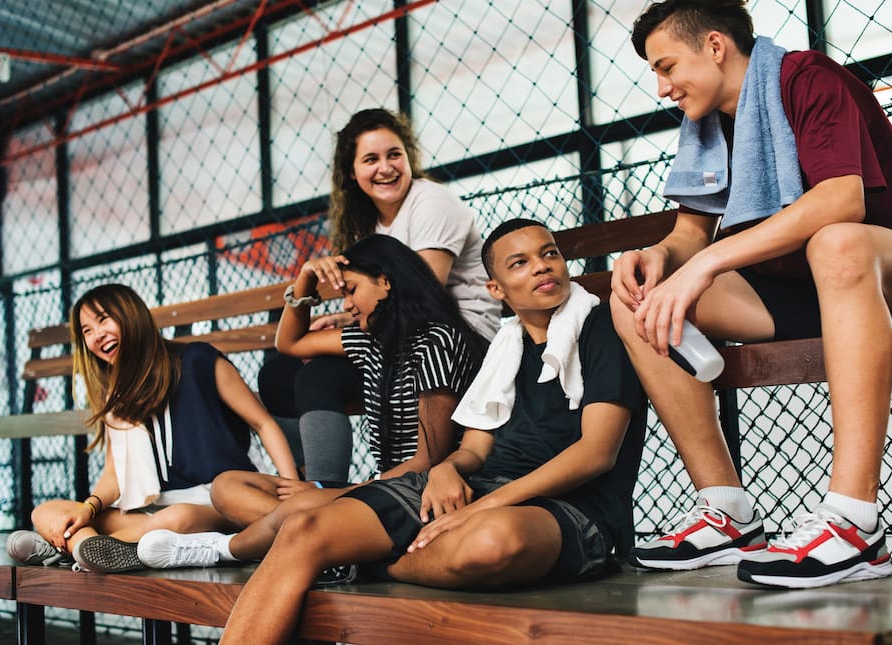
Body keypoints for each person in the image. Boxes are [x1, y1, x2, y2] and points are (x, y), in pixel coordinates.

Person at [139, 219, 645, 644]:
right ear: (497, 290)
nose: (541, 266)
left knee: (492, 543)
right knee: (303, 527)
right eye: (519, 263)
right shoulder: (504, 348)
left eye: (549, 254)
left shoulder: (599, 328)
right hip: (474, 492)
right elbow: (474, 449)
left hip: (574, 509)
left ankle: (353, 559)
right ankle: (317, 553)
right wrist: (450, 470)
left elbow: (596, 454)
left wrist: (480, 499)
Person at [611, 0, 892, 590]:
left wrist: (705, 265)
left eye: (666, 65)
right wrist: (660, 259)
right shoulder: (705, 123)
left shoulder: (805, 78)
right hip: (806, 293)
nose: (662, 86)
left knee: (838, 244)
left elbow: (841, 200)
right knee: (635, 299)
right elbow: (689, 234)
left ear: (715, 47)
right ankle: (726, 510)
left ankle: (856, 523)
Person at [258, 107, 499, 484]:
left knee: (314, 374)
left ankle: (328, 492)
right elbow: (372, 301)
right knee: (279, 373)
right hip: (396, 337)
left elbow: (421, 291)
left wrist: (344, 320)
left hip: (456, 339)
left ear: (409, 158)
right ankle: (316, 483)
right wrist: (319, 294)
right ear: (351, 172)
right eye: (371, 159)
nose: (385, 167)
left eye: (394, 155)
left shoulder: (431, 201)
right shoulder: (369, 224)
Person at [4, 283, 299, 573]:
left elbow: (263, 423)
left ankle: (69, 550)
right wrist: (87, 509)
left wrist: (291, 486)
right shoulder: (116, 395)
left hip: (215, 504)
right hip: (155, 509)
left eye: (103, 320)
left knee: (177, 519)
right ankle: (94, 548)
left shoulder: (199, 360)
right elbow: (114, 475)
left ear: (130, 315)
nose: (96, 336)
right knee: (45, 511)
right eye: (87, 331)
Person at [203, 234, 486, 530]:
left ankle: (244, 544)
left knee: (300, 507)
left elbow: (427, 460)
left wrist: (334, 493)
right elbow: (290, 342)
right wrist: (306, 278)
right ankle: (306, 533)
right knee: (227, 486)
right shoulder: (370, 341)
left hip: (417, 490)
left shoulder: (437, 341)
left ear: (386, 281)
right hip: (378, 487)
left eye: (352, 291)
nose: (348, 306)